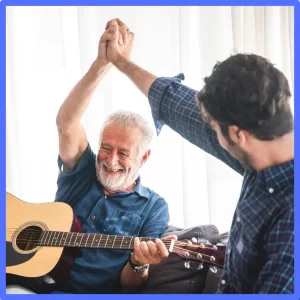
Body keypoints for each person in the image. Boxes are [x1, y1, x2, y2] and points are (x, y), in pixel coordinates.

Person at [101, 19, 294, 294]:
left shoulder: (290, 224)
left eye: (215, 129)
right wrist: (122, 62)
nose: (211, 134)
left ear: (239, 135)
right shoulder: (263, 138)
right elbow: (176, 104)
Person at [6, 27, 176, 295]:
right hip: (32, 284)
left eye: (124, 153)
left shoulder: (154, 207)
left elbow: (131, 284)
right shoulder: (83, 172)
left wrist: (139, 264)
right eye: (105, 148)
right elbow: (67, 122)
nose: (111, 160)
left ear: (144, 157)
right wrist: (102, 63)